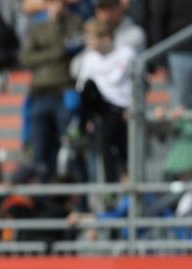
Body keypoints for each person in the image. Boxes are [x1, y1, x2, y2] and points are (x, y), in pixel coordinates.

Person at [19, 0, 82, 177]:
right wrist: (54, 54)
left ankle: (76, 196)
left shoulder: (74, 22)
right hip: (40, 93)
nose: (57, 6)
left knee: (69, 148)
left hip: (64, 91)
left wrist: (56, 26)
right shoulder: (38, 27)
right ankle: (43, 197)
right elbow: (26, 58)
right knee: (40, 149)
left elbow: (71, 47)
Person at [76, 18, 134, 183]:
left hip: (121, 108)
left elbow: (127, 81)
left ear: (106, 38)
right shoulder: (89, 58)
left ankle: (114, 184)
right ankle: (83, 125)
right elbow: (82, 86)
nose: (89, 43)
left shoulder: (126, 53)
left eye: (92, 38)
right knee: (88, 87)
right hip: (101, 107)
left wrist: (131, 107)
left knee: (112, 144)